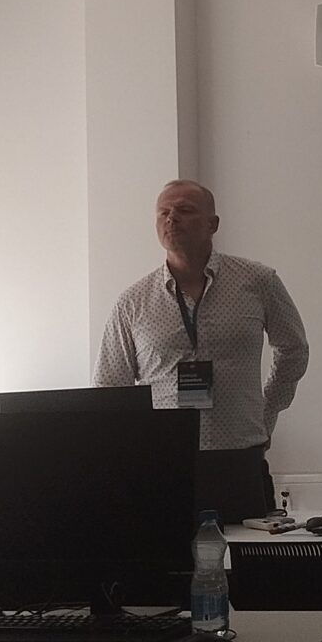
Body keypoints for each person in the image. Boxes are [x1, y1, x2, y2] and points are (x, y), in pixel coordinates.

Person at [95, 179, 309, 521]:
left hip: (240, 458)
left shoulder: (258, 281)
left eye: (184, 210)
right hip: (164, 463)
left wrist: (266, 413)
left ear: (213, 224)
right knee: (168, 555)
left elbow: (293, 349)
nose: (171, 218)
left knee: (248, 553)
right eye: (163, 212)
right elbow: (110, 386)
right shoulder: (132, 302)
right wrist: (134, 449)